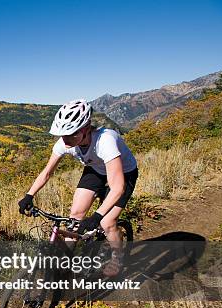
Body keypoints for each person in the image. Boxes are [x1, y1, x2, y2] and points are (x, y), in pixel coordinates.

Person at [18, 99, 138, 275]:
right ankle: (66, 262)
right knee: (75, 217)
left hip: (124, 173)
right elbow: (46, 173)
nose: (65, 140)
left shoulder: (105, 140)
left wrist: (97, 216)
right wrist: (29, 195)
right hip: (95, 169)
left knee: (107, 222)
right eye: (62, 134)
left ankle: (117, 257)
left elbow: (117, 187)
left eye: (70, 134)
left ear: (85, 128)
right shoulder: (64, 143)